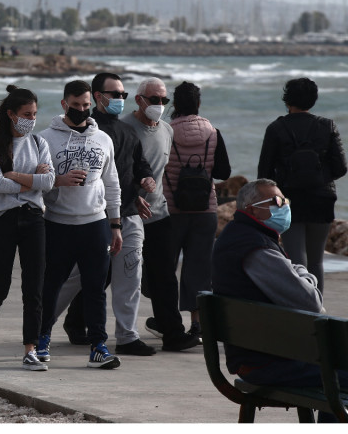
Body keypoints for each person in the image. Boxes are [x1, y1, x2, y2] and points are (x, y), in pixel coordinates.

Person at [212, 179, 348, 422]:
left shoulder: (237, 236)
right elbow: (311, 301)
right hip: (268, 363)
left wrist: (296, 271)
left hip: (256, 355)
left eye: (285, 200)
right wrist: (303, 273)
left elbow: (294, 280)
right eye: (276, 201)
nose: (284, 206)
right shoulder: (257, 249)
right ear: (250, 209)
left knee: (339, 381)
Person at [52, 72, 157, 356]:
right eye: (115, 95)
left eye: (123, 95)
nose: (120, 100)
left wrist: (145, 181)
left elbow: (137, 166)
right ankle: (40, 325)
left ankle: (127, 336)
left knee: (129, 275)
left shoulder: (125, 131)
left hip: (129, 216)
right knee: (73, 277)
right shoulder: (85, 134)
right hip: (93, 218)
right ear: (97, 97)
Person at [36, 80, 122, 369]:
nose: (82, 111)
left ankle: (98, 346)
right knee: (51, 286)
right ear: (64, 105)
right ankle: (41, 339)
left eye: (86, 106)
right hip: (57, 223)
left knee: (95, 288)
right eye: (76, 106)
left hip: (95, 223)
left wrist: (116, 223)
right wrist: (58, 181)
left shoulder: (103, 139)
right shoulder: (45, 139)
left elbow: (112, 182)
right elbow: (35, 184)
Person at [0, 86, 55, 371]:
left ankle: (30, 349)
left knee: (34, 286)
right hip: (2, 220)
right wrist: (32, 180)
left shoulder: (38, 143)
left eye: (34, 114)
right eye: (26, 114)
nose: (31, 119)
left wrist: (18, 178)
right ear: (11, 114)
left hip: (33, 218)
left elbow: (49, 182)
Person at [121, 77, 199, 351]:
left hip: (159, 214)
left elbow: (160, 172)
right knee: (109, 273)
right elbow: (113, 172)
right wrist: (130, 199)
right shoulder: (123, 128)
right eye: (154, 100)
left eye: (164, 100)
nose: (160, 105)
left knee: (165, 276)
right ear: (139, 100)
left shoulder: (167, 130)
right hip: (127, 213)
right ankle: (78, 322)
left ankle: (173, 334)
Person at [257, 77, 347, 292]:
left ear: (287, 100)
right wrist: (319, 178)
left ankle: (301, 311)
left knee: (297, 261)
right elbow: (341, 168)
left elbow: (264, 174)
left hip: (289, 200)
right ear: (313, 100)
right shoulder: (327, 126)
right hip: (322, 199)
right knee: (317, 262)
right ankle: (318, 310)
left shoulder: (276, 128)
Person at [163, 81, 231, 336]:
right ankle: (198, 324)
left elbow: (155, 167)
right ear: (198, 104)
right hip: (205, 211)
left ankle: (168, 321)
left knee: (166, 268)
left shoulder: (165, 131)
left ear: (175, 104)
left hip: (171, 211)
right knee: (200, 269)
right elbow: (224, 172)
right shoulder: (213, 132)